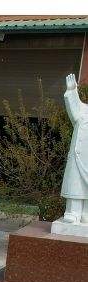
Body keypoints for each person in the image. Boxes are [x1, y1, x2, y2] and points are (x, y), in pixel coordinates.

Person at [61, 73, 88, 224]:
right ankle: (73, 212)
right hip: (79, 156)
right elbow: (75, 110)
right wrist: (72, 91)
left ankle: (86, 213)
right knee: (75, 184)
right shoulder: (84, 111)